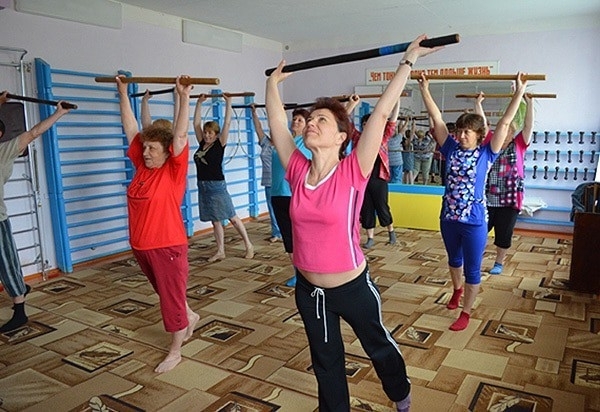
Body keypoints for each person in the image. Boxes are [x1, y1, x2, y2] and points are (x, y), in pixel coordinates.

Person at [266, 34, 441, 412]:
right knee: (326, 363)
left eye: (322, 120)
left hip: (352, 287)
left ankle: (400, 394)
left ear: (341, 137)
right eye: (311, 118)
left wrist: (408, 61)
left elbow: (381, 113)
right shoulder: (297, 170)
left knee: (378, 347)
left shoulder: (352, 170)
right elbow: (278, 123)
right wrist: (272, 85)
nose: (312, 123)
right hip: (309, 291)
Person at [418, 72, 527, 331]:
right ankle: (457, 290)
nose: (461, 135)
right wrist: (424, 89)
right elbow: (436, 118)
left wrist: (519, 93)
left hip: (474, 220)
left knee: (473, 269)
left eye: (467, 132)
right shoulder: (450, 148)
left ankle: (466, 312)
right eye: (459, 131)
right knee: (454, 260)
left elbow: (505, 122)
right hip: (448, 217)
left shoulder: (487, 153)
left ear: (479, 135)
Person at [116, 75, 199, 372]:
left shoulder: (173, 171)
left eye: (152, 148)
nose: (146, 152)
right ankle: (190, 315)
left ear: (166, 151)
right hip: (141, 246)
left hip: (167, 247)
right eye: (145, 148)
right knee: (166, 293)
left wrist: (183, 97)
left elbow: (180, 135)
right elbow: (130, 128)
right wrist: (122, 92)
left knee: (170, 301)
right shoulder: (142, 167)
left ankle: (175, 351)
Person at [0, 91, 70, 333]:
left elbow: (34, 132)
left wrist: (59, 113)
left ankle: (19, 311)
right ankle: (20, 287)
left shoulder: (5, 151)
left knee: (6, 264)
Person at [193, 94, 254, 262]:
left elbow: (227, 123)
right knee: (215, 220)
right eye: (206, 132)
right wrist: (199, 103)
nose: (207, 135)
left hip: (217, 186)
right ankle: (220, 251)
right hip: (203, 186)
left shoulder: (219, 144)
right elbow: (196, 124)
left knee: (232, 217)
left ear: (216, 135)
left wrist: (229, 103)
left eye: (210, 133)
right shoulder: (201, 144)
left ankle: (248, 245)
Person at [478, 92, 534, 275]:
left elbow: (528, 126)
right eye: (500, 130)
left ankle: (498, 263)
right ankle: (475, 260)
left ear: (512, 135)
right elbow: (483, 125)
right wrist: (478, 104)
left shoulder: (519, 145)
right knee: (479, 231)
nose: (502, 133)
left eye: (508, 131)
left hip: (510, 200)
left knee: (504, 234)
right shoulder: (490, 143)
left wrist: (530, 103)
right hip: (488, 198)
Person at [347, 95, 401, 249]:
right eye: (365, 124)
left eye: (369, 124)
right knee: (366, 208)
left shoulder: (382, 137)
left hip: (379, 178)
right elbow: (346, 122)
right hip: (363, 179)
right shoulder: (357, 138)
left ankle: (391, 231)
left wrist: (396, 100)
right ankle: (370, 238)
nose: (367, 127)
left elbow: (392, 121)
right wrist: (352, 104)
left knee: (382, 206)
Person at [270, 107, 311, 288]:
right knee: (288, 237)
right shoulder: (285, 141)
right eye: (294, 119)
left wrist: (349, 107)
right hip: (277, 194)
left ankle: (307, 272)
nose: (295, 122)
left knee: (301, 237)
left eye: (300, 120)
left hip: (294, 195)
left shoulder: (306, 142)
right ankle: (298, 273)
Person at [250, 104, 281, 243]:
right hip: (268, 182)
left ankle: (288, 231)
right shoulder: (265, 143)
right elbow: (258, 128)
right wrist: (254, 112)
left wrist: (279, 110)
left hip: (282, 182)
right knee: (272, 208)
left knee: (285, 208)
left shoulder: (284, 145)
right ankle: (276, 232)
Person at [388, 119, 407, 183]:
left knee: (390, 177)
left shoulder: (386, 140)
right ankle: (397, 186)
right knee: (397, 177)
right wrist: (406, 122)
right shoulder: (397, 139)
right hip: (398, 162)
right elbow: (402, 131)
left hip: (389, 161)